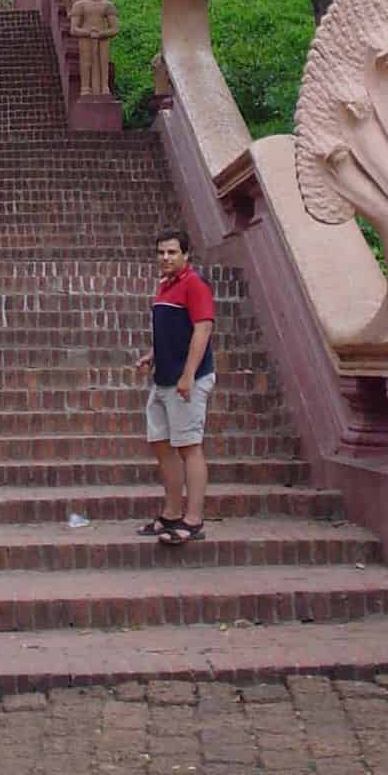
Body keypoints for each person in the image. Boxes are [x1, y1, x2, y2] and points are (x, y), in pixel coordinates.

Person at [134, 227, 216, 547]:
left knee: (189, 447)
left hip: (187, 381)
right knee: (163, 446)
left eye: (172, 252)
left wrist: (188, 375)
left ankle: (193, 521)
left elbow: (202, 329)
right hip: (163, 379)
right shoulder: (164, 286)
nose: (166, 257)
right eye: (161, 252)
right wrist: (152, 356)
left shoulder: (194, 285)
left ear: (185, 255)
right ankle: (170, 514)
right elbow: (171, 330)